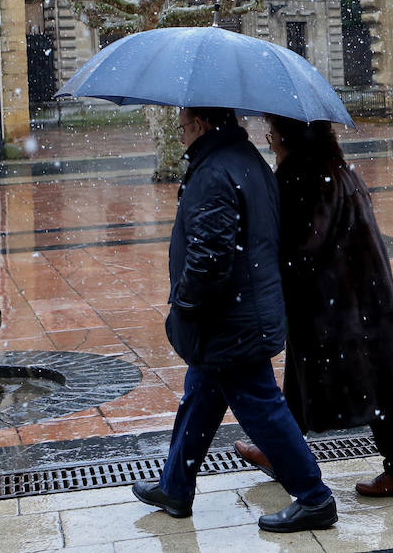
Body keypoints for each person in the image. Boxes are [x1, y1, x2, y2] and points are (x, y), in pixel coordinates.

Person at [132, 106, 337, 533]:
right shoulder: (245, 161)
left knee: (261, 406)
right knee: (200, 397)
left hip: (228, 317)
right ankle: (175, 486)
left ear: (202, 125)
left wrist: (185, 304)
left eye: (184, 127)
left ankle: (315, 497)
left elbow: (210, 257)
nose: (182, 136)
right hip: (246, 309)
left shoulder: (214, 172)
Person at [235, 115, 393, 497]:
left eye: (273, 131)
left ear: (290, 136)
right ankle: (280, 448)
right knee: (352, 376)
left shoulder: (303, 178)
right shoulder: (335, 168)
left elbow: (300, 248)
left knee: (373, 386)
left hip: (336, 304)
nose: (269, 138)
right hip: (362, 298)